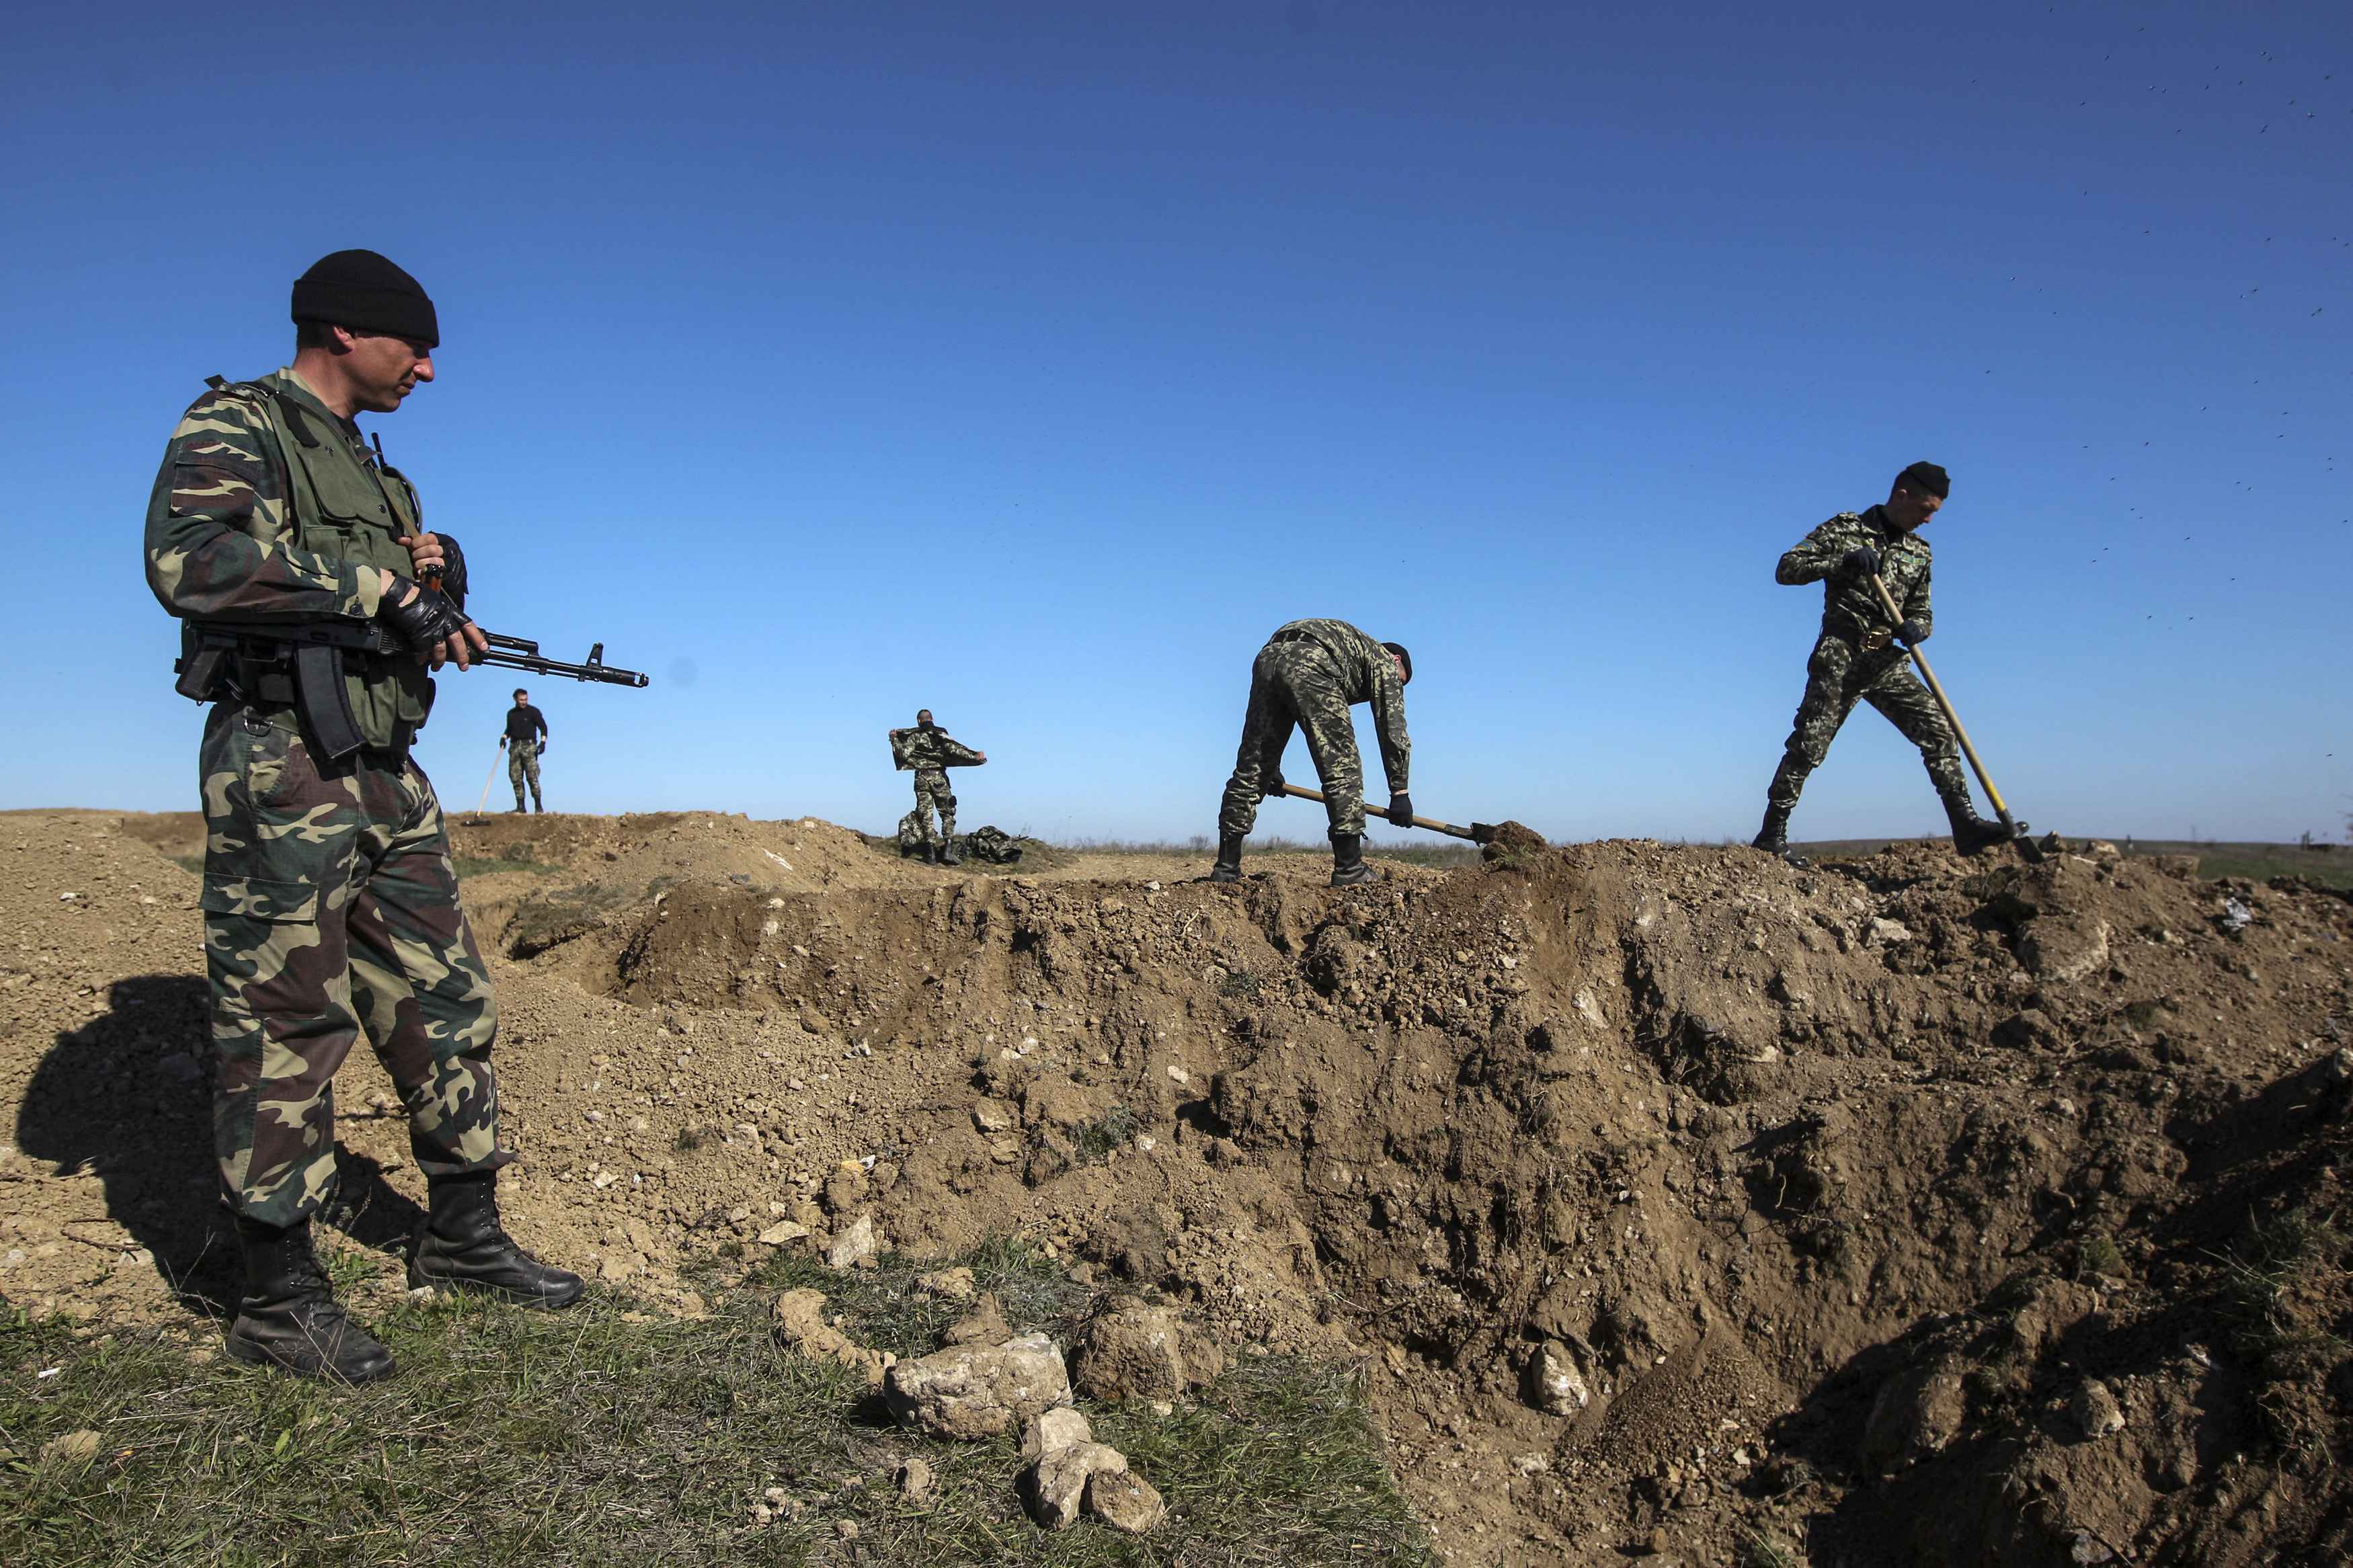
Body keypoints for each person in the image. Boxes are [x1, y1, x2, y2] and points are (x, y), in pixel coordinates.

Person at [143, 248, 582, 1384]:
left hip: (387, 763)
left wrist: (439, 585)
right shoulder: (237, 423)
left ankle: (465, 1237)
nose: (428, 369)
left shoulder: (384, 477)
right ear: (344, 330)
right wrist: (375, 585)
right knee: (287, 1019)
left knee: (450, 994)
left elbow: (392, 610)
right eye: (414, 345)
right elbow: (191, 561)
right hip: (283, 759)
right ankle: (277, 1293)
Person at [1753, 461, 2010, 862]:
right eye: (1926, 509)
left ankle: (1965, 825)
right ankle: (1772, 835)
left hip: (1886, 661)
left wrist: (1918, 629)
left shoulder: (1920, 552)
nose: (1928, 519)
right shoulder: (1847, 529)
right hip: (1841, 655)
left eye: (1935, 513)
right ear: (1902, 495)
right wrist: (1843, 562)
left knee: (1938, 729)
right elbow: (1787, 569)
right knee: (1809, 744)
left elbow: (1923, 610)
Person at [1212, 619, 1412, 888]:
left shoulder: (1351, 649)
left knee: (1252, 768)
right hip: (1312, 660)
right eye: (1401, 683)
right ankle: (1350, 868)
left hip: (1268, 656)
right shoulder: (1383, 659)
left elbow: (1282, 714)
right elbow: (1392, 727)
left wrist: (1272, 769)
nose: (1397, 689)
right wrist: (1400, 792)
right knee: (1342, 768)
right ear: (1396, 659)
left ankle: (1226, 868)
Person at [889, 710, 986, 864]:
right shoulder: (941, 735)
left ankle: (931, 854)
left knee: (926, 816)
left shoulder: (915, 736)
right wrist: (975, 756)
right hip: (939, 778)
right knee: (947, 813)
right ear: (932, 719)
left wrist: (894, 739)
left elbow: (903, 755)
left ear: (919, 721)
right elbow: (955, 749)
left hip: (921, 778)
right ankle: (948, 851)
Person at [501, 688, 549, 813]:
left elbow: (543, 727)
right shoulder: (511, 714)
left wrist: (543, 742)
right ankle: (520, 806)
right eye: (521, 700)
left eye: (525, 699)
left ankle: (538, 806)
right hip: (515, 747)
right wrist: (504, 737)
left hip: (529, 746)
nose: (524, 702)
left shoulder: (533, 712)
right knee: (515, 776)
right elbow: (509, 729)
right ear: (515, 699)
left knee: (532, 776)